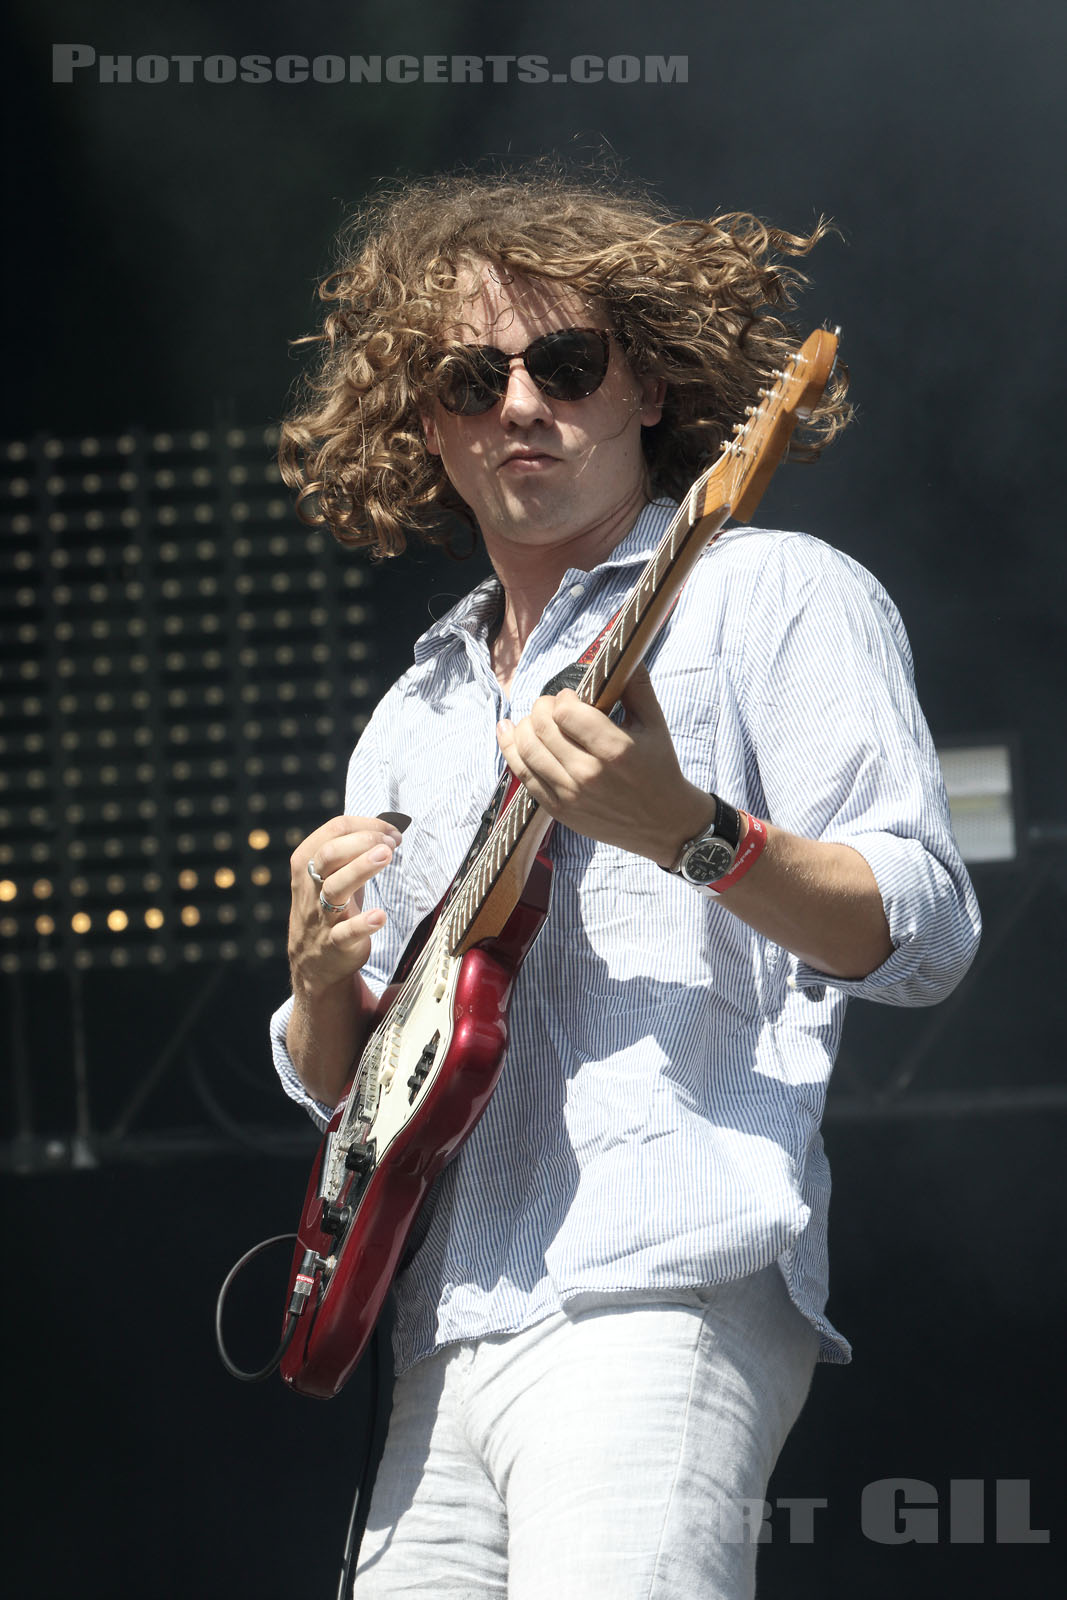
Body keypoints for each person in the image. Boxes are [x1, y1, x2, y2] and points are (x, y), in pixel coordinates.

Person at [269, 170, 981, 1598]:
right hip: (436, 1325)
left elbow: (926, 926)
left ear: (647, 383)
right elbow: (366, 1087)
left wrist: (692, 832)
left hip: (661, 1278)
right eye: (472, 377)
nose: (521, 404)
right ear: (426, 422)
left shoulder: (770, 592)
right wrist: (311, 990)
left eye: (566, 363)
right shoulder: (411, 713)